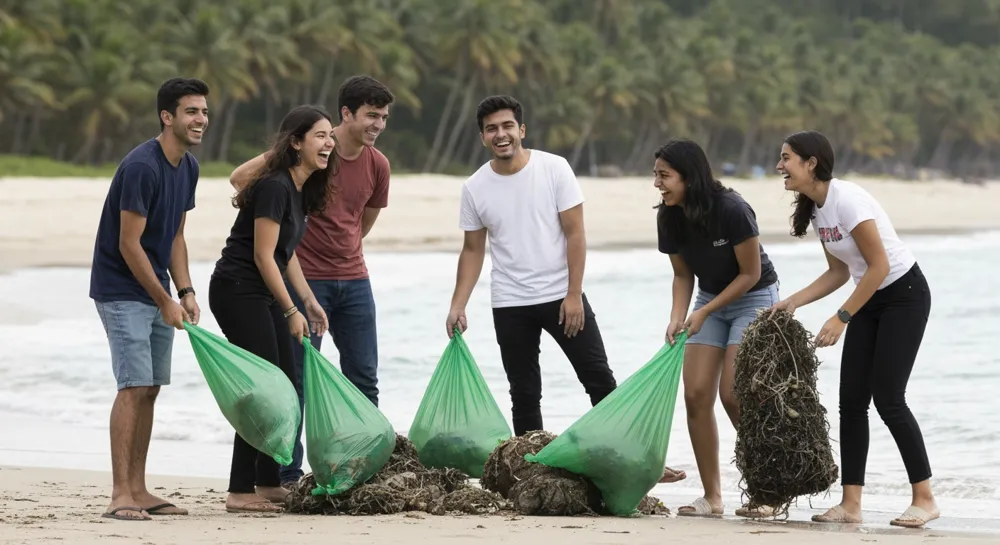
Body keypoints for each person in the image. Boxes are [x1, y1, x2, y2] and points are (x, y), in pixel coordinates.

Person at [228, 75, 394, 487]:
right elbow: (239, 178)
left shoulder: (378, 165)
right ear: (346, 114)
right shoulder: (315, 146)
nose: (378, 125)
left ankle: (362, 465)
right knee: (296, 380)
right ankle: (287, 474)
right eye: (371, 115)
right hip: (305, 281)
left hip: (355, 280)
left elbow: (362, 222)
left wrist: (345, 254)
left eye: (384, 117)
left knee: (364, 377)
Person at [770, 130, 939, 528]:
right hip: (870, 297)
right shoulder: (816, 208)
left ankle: (925, 498)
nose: (780, 166)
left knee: (889, 398)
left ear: (812, 163)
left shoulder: (847, 200)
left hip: (904, 295)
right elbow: (839, 272)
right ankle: (851, 504)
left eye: (786, 158)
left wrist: (841, 317)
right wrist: (791, 302)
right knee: (851, 402)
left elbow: (879, 265)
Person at [445, 94, 618, 437]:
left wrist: (574, 295)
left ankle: (625, 459)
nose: (500, 134)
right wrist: (457, 304)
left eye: (507, 125)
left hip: (561, 296)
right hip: (510, 302)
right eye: (491, 129)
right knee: (523, 393)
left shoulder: (554, 169)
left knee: (598, 378)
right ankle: (529, 469)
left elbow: (576, 235)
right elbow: (472, 251)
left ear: (521, 129)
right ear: (483, 137)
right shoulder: (475, 187)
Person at [89, 77, 209, 521]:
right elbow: (129, 244)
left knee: (151, 388)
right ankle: (120, 494)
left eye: (204, 112)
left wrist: (187, 290)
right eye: (192, 112)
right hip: (122, 290)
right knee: (133, 385)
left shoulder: (189, 167)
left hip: (158, 290)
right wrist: (163, 300)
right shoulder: (143, 166)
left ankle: (139, 489)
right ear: (168, 117)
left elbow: (176, 235)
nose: (201, 120)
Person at [208, 105, 334, 514]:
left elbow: (286, 254)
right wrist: (289, 310)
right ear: (295, 143)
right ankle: (239, 490)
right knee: (262, 389)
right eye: (319, 135)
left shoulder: (298, 190)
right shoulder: (275, 186)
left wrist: (308, 301)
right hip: (237, 290)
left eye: (330, 135)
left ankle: (266, 481)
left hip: (258, 291)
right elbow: (263, 257)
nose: (329, 142)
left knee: (286, 384)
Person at [652, 139, 781, 517]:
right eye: (656, 175)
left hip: (754, 295)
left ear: (689, 177)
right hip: (709, 298)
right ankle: (712, 497)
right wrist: (678, 316)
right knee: (695, 394)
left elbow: (751, 273)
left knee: (733, 395)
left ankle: (766, 490)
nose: (657, 183)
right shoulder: (668, 215)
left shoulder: (733, 209)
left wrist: (705, 311)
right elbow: (681, 274)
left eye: (665, 176)